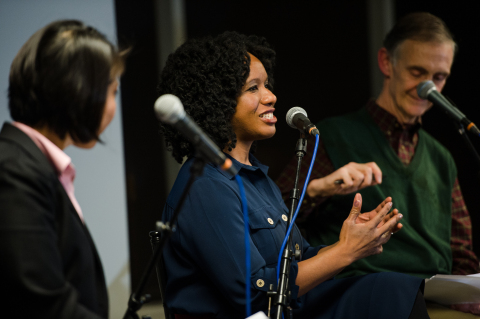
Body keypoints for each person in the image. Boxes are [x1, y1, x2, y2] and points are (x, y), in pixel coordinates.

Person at [159, 31, 429, 318]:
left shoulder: (257, 179)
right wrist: (346, 251)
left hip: (291, 311)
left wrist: (352, 241)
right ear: (216, 101)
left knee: (392, 290)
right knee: (391, 294)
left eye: (267, 85)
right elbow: (254, 294)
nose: (271, 96)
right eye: (253, 88)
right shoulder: (205, 186)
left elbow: (296, 261)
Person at [276, 11, 479, 317]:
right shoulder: (330, 136)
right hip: (365, 295)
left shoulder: (442, 158)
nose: (429, 89)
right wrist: (321, 188)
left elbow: (462, 252)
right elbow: (276, 218)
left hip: (432, 296)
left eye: (439, 78)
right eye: (417, 72)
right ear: (386, 62)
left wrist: (468, 293)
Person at [0, 20, 125, 318]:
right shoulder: (14, 170)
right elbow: (41, 301)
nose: (113, 107)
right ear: (80, 91)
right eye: (113, 92)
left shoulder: (28, 162)